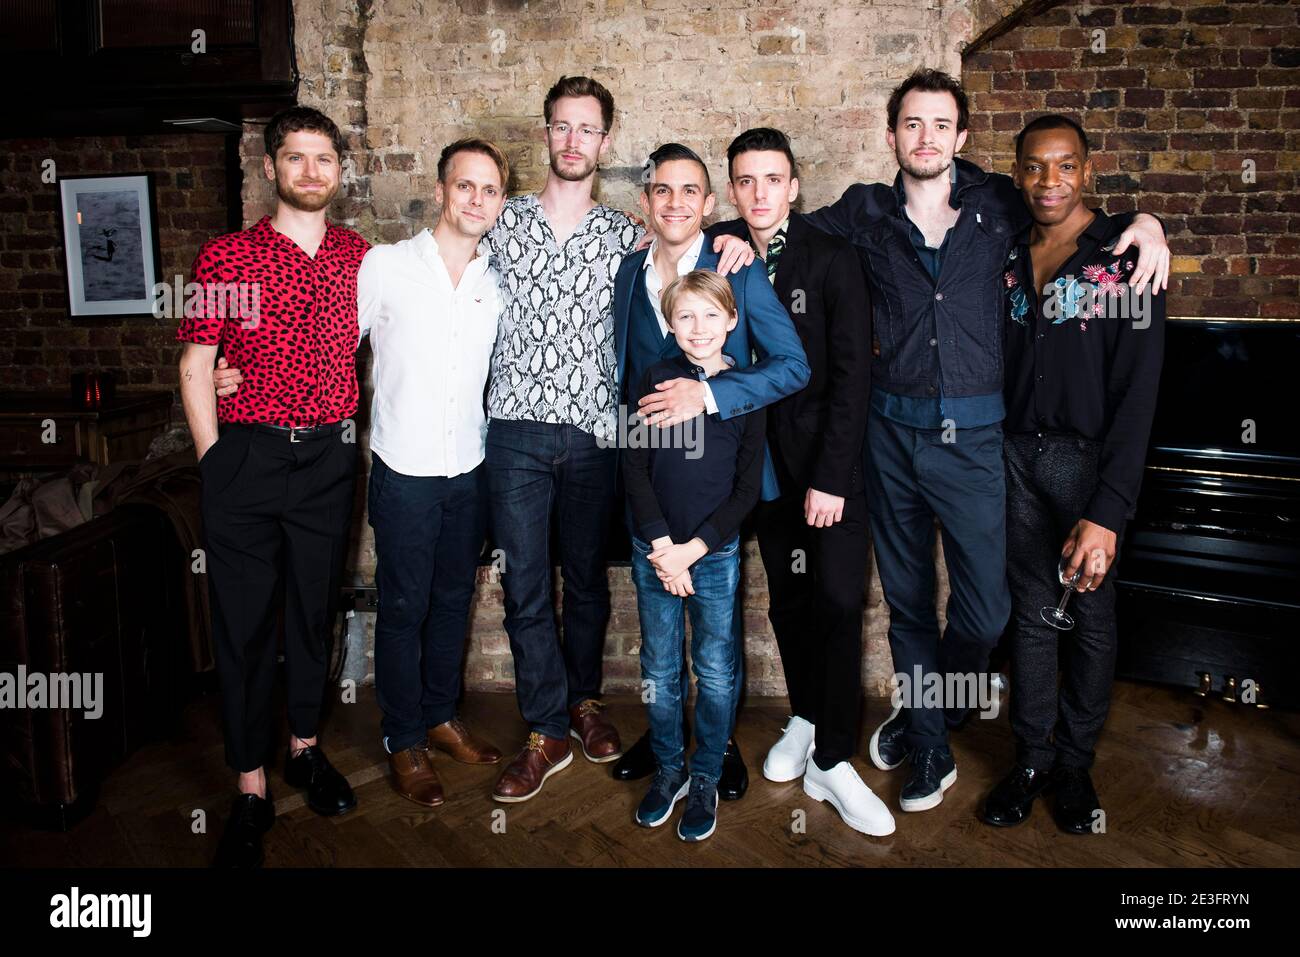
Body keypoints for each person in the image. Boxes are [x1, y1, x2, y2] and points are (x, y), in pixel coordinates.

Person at [714, 68, 1170, 813]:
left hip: (977, 435)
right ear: (892, 135)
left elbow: (1076, 212)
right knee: (907, 602)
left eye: (940, 125)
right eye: (911, 124)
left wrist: (1142, 220)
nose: (925, 138)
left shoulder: (999, 202)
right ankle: (929, 739)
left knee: (989, 609)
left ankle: (947, 694)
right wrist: (726, 233)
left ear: (961, 137)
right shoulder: (860, 213)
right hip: (888, 435)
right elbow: (776, 223)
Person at [178, 106, 369, 867]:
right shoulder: (226, 257)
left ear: (338, 170)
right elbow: (197, 364)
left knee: (311, 613)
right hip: (247, 460)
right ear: (271, 168)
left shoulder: (362, 257)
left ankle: (305, 749)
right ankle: (251, 784)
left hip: (328, 460)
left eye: (325, 159)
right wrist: (214, 461)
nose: (313, 172)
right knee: (246, 624)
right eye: (297, 158)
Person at [610, 142, 811, 801]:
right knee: (661, 646)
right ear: (646, 202)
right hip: (655, 482)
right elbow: (626, 374)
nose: (674, 203)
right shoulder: (629, 270)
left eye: (688, 191)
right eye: (661, 191)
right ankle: (667, 742)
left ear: (709, 204)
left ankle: (716, 748)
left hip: (723, 483)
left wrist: (712, 395)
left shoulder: (736, 267)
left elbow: (791, 366)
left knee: (716, 640)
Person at [707, 128, 893, 836]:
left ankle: (835, 760)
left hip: (828, 468)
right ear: (733, 190)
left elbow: (853, 375)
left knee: (840, 601)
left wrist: (832, 476)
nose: (759, 193)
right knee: (789, 599)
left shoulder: (833, 257)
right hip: (759, 469)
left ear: (793, 186)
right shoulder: (718, 246)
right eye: (746, 181)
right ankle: (809, 715)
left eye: (772, 179)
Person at [982, 115, 1165, 833]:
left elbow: (1139, 393)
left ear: (1088, 171)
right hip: (1014, 455)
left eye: (1064, 166)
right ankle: (1029, 757)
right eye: (1033, 166)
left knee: (1088, 616)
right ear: (1018, 171)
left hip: (1087, 466)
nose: (1047, 181)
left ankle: (1074, 763)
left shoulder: (1122, 257)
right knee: (1030, 614)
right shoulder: (1008, 249)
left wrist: (1110, 510)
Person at [356, 139, 512, 806]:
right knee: (402, 608)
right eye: (466, 185)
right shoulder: (386, 266)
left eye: (491, 190)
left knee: (454, 601)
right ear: (442, 189)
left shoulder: (498, 282)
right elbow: (335, 351)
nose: (478, 199)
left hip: (467, 468)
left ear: (500, 202)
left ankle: (442, 716)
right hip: (404, 469)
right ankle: (404, 738)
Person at [623, 271, 766, 841]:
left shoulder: (746, 393)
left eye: (711, 315)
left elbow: (746, 490)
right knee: (659, 666)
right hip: (654, 551)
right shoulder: (654, 379)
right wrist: (663, 547)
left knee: (713, 666)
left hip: (712, 555)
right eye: (685, 316)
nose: (699, 328)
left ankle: (706, 773)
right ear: (670, 324)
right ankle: (669, 769)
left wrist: (694, 551)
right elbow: (633, 467)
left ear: (731, 321)